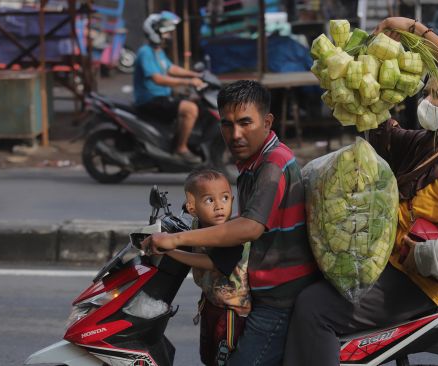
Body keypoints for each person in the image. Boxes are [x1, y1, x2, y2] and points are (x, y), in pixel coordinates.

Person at [282, 18, 438, 365]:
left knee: (315, 309)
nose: (428, 103)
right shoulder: (429, 145)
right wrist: (361, 89)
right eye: (427, 93)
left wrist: (420, 255)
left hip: (420, 280)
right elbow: (384, 134)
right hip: (386, 263)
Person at [142, 80, 318, 366]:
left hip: (278, 298)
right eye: (227, 124)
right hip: (261, 290)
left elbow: (250, 227)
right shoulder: (252, 162)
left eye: (245, 123)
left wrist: (176, 240)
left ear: (267, 121)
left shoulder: (273, 164)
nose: (235, 134)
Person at [164, 168, 250, 366]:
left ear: (233, 200)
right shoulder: (197, 225)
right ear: (192, 207)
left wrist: (170, 250)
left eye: (225, 198)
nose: (219, 206)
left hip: (233, 311)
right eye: (210, 200)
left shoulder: (232, 234)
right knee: (208, 355)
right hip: (211, 304)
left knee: (224, 358)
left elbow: (212, 263)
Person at [134, 11, 207, 163]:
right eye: (166, 32)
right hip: (150, 100)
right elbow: (157, 79)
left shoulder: (158, 51)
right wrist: (188, 82)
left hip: (162, 98)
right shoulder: (145, 52)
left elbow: (171, 68)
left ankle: (177, 140)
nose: (168, 36)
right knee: (190, 109)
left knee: (192, 101)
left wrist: (194, 75)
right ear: (155, 32)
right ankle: (181, 148)